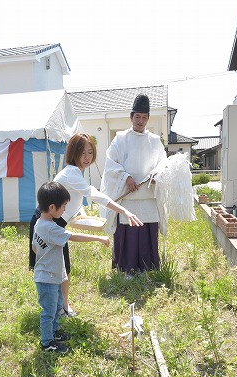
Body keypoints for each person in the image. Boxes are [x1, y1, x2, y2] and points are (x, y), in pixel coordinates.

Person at [28, 133, 143, 316]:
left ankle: (61, 306)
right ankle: (58, 309)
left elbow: (74, 201)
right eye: (82, 153)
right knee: (57, 268)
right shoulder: (72, 173)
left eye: (90, 152)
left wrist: (81, 215)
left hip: (52, 222)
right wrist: (124, 211)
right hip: (48, 223)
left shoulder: (74, 172)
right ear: (73, 153)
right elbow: (94, 194)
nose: (87, 157)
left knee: (61, 268)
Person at [32, 181, 110, 353]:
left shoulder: (39, 223)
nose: (65, 210)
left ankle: (54, 333)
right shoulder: (51, 228)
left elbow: (34, 248)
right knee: (49, 311)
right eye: (64, 206)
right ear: (52, 207)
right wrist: (99, 238)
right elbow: (73, 237)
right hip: (47, 278)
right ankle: (47, 343)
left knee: (58, 304)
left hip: (52, 275)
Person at [100, 94, 167, 273]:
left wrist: (156, 175)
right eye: (137, 116)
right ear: (131, 117)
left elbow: (163, 163)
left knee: (147, 233)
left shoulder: (155, 141)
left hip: (148, 196)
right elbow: (110, 164)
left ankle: (147, 268)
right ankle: (126, 268)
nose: (141, 120)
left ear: (148, 118)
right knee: (128, 234)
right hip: (127, 197)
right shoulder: (120, 139)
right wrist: (126, 177)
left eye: (144, 117)